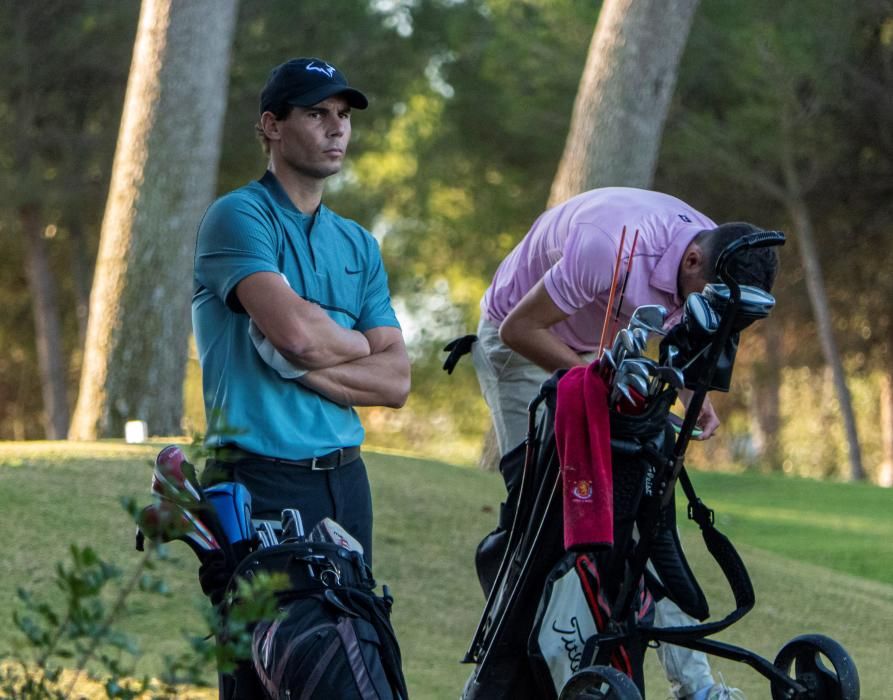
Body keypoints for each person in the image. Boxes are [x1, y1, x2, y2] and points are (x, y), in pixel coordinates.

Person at [472, 187, 778, 700]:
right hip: (519, 344)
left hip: (605, 349)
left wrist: (688, 394)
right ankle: (513, 673)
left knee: (646, 506)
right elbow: (518, 328)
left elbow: (684, 327)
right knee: (542, 513)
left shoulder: (711, 255)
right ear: (693, 258)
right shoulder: (610, 245)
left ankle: (697, 689)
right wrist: (602, 381)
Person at [192, 57, 410, 698]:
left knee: (351, 654)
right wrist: (340, 347)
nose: (335, 128)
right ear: (271, 125)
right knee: (264, 675)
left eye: (342, 115)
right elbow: (292, 335)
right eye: (316, 113)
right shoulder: (238, 219)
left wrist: (308, 363)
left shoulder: (358, 245)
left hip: (347, 481)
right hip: (257, 480)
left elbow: (396, 380)